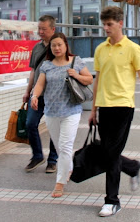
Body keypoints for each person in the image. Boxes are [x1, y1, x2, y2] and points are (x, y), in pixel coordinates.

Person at [90, 6, 140, 217]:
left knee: (110, 154)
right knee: (108, 151)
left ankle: (112, 201)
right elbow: (98, 80)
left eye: (109, 24)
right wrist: (93, 109)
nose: (106, 28)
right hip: (104, 107)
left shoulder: (132, 48)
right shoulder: (100, 49)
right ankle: (132, 167)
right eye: (104, 24)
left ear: (120, 23)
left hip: (123, 107)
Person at [30, 33, 94, 198]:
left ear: (65, 45)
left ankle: (60, 183)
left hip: (71, 111)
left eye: (59, 45)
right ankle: (69, 169)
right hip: (51, 112)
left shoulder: (76, 61)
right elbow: (40, 84)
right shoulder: (46, 65)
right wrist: (34, 96)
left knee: (65, 146)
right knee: (59, 147)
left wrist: (76, 75)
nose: (57, 48)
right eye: (53, 46)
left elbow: (89, 80)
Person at [22, 15, 58, 173]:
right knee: (30, 123)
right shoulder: (37, 48)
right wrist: (28, 92)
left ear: (53, 29)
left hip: (55, 96)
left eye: (44, 29)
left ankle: (53, 160)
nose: (40, 32)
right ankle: (37, 155)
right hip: (36, 95)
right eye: (39, 29)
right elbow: (33, 71)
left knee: (54, 128)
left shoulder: (58, 46)